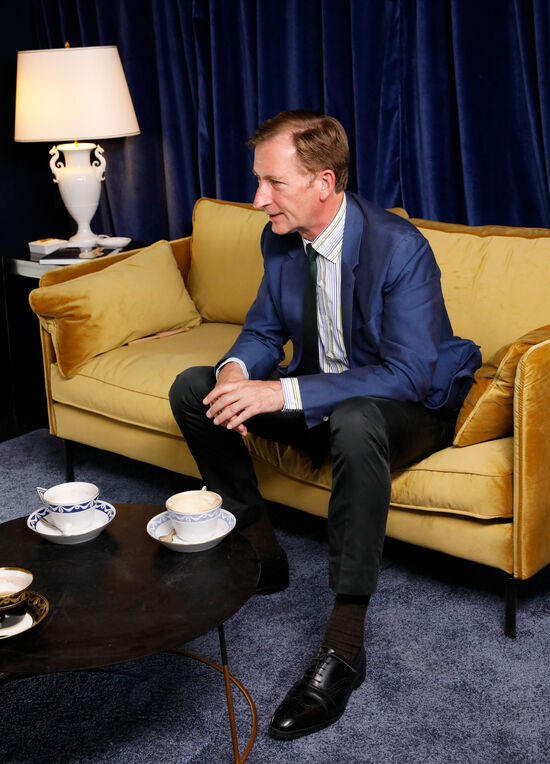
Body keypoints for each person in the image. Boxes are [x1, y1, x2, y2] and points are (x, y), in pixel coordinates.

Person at [169, 110, 481, 740]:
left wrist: (279, 388)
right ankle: (264, 554)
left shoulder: (400, 248)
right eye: (258, 182)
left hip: (407, 410)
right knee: (194, 389)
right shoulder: (280, 239)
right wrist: (236, 372)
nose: (258, 199)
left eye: (272, 183)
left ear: (324, 182)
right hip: (325, 402)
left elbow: (410, 375)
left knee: (360, 417)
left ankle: (343, 646)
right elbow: (262, 330)